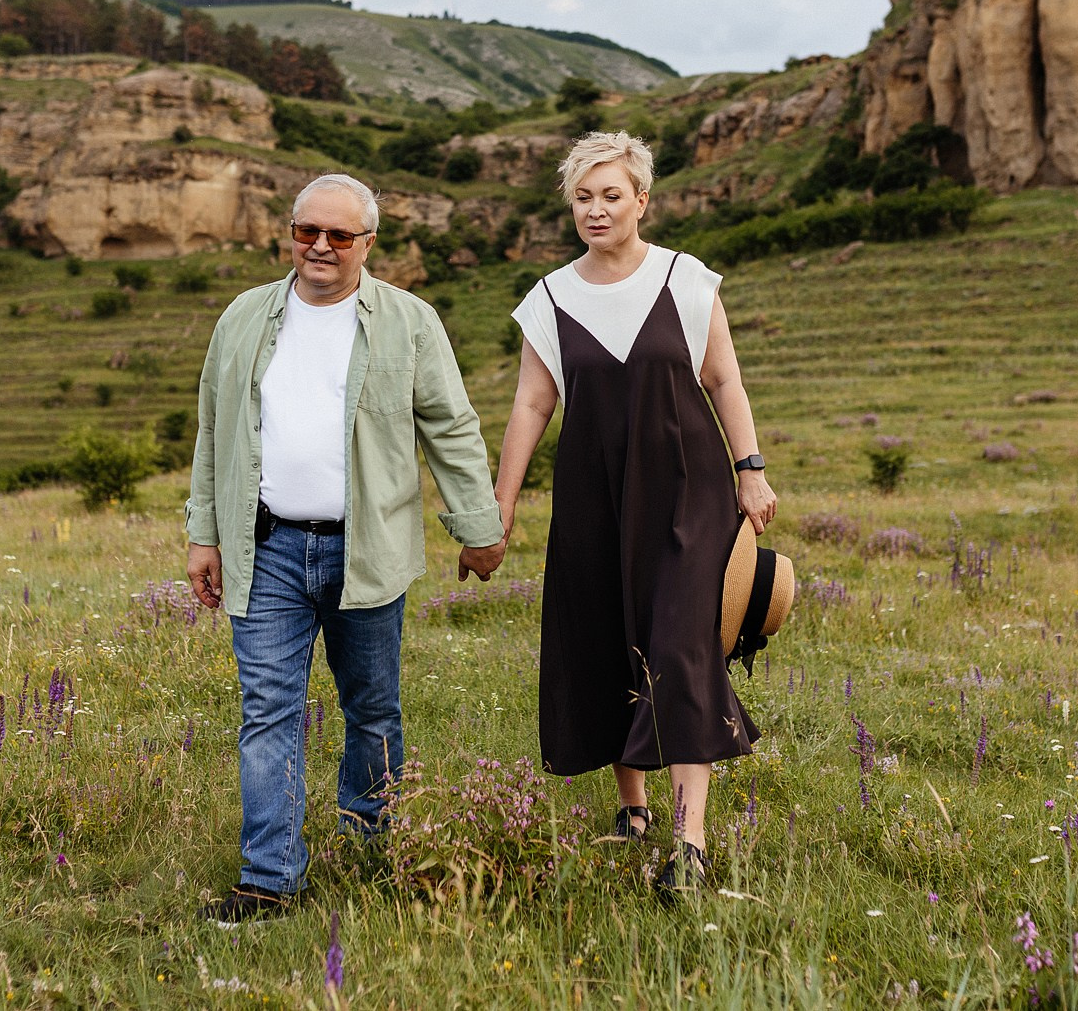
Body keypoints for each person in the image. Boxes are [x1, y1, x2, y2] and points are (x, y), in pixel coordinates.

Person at [185, 173, 506, 925]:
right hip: (264, 549)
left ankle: (368, 849)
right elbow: (211, 425)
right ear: (290, 232)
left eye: (339, 235)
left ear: (369, 242)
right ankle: (269, 878)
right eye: (307, 232)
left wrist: (478, 525)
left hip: (367, 551)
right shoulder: (241, 318)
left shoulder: (409, 321)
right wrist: (203, 531)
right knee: (268, 709)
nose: (320, 247)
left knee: (372, 709)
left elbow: (450, 426)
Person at [491, 131, 778, 899]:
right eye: (583, 197)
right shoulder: (549, 298)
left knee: (681, 644)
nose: (595, 209)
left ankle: (690, 843)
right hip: (594, 495)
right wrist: (502, 504)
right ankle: (633, 806)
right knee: (615, 639)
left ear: (642, 200)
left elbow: (724, 380)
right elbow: (530, 403)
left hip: (690, 490)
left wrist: (751, 470)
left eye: (611, 194)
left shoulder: (687, 280)